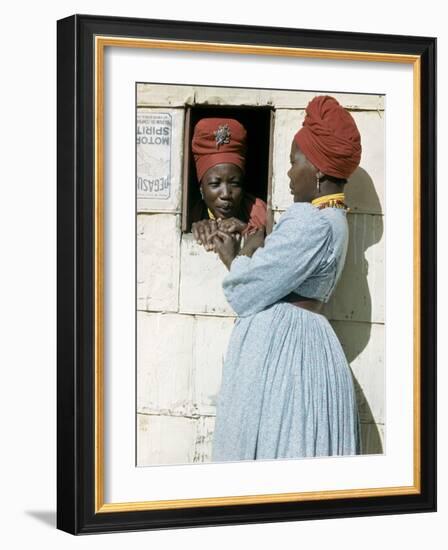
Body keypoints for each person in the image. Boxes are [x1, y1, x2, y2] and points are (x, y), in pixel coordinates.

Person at [210, 95, 362, 461]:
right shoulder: (337, 220)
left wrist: (236, 255)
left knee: (274, 445)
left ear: (319, 170)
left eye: (295, 162)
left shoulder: (309, 220)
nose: (290, 174)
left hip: (286, 355)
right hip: (307, 342)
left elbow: (249, 290)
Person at [190, 118, 267, 251]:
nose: (226, 194)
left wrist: (246, 229)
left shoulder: (260, 213)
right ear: (201, 188)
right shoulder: (192, 213)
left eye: (235, 183)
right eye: (215, 184)